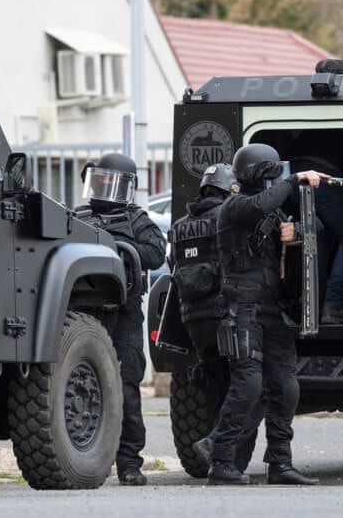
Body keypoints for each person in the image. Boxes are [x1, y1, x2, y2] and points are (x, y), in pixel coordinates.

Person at [206, 143, 322, 486]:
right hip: (241, 307)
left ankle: (280, 463)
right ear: (257, 174)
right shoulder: (235, 206)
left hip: (270, 308)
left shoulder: (271, 210)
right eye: (271, 174)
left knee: (286, 386)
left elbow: (316, 228)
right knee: (249, 384)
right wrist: (295, 179)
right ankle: (220, 459)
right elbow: (259, 205)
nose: (274, 181)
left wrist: (295, 232)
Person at [75, 152, 166, 486]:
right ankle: (85, 457)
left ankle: (129, 463)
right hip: (85, 314)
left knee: (126, 387)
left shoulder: (136, 219)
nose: (105, 188)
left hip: (124, 313)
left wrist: (118, 244)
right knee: (81, 384)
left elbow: (156, 253)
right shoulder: (78, 217)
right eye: (100, 180)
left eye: (111, 182)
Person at [170, 163, 260, 473]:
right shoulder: (227, 217)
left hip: (193, 319)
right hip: (225, 314)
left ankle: (223, 463)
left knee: (218, 388)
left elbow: (173, 265)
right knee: (247, 388)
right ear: (230, 189)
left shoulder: (180, 225)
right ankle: (224, 453)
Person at [288, 133, 343, 325]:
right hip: (326, 175)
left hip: (296, 174)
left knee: (318, 236)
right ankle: (333, 304)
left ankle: (311, 303)